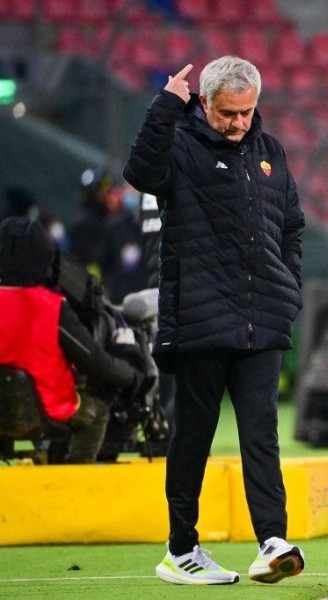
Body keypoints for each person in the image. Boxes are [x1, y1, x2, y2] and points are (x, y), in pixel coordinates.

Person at [123, 57, 306, 585]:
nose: (239, 123)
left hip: (262, 315)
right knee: (193, 436)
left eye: (247, 112)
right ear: (205, 104)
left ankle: (272, 541)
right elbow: (138, 173)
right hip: (200, 316)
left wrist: (288, 285)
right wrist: (164, 107)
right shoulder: (179, 145)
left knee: (261, 433)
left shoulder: (270, 152)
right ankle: (181, 550)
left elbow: (291, 226)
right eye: (229, 113)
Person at [0, 217, 144, 463]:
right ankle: (74, 482)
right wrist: (131, 375)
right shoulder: (51, 307)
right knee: (95, 413)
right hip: (48, 411)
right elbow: (96, 363)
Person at [68, 168, 114, 281]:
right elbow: (89, 260)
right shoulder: (84, 223)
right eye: (105, 189)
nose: (109, 193)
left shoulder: (108, 216)